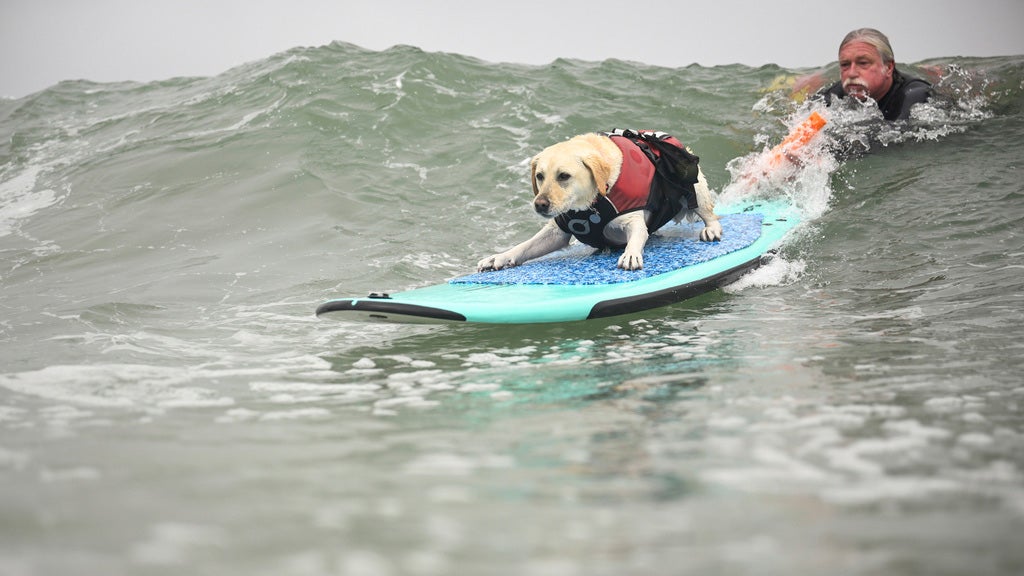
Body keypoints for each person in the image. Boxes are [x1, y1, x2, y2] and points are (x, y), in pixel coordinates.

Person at [818, 28, 932, 121]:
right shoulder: (831, 98)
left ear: (888, 67)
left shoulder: (916, 95)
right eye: (845, 64)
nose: (851, 73)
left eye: (863, 63)